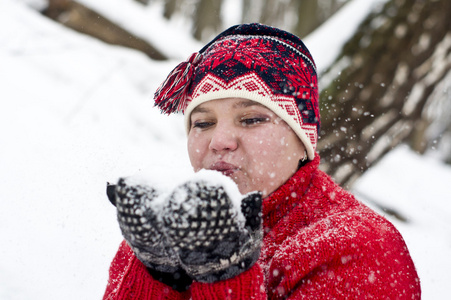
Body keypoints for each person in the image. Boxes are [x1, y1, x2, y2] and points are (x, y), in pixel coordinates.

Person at [103, 23, 421, 299]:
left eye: (252, 119)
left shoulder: (359, 248)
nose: (219, 141)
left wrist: (225, 277)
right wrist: (157, 273)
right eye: (202, 123)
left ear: (303, 141)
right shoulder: (168, 225)